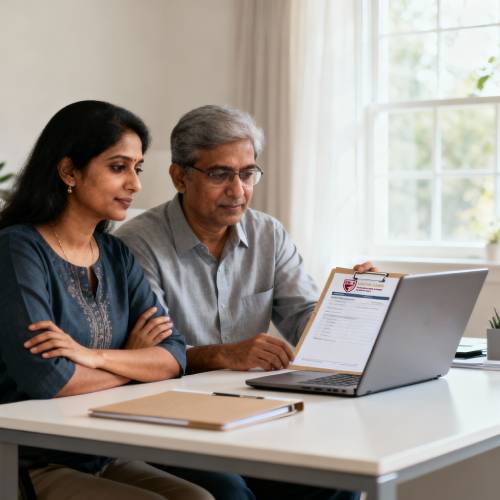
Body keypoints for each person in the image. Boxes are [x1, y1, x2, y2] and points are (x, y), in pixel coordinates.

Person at [116, 105, 369, 500]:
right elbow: (152, 354)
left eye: (247, 173)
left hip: (256, 412)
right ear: (179, 176)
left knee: (336, 477)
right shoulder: (136, 244)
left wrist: (353, 304)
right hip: (172, 417)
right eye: (220, 174)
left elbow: (303, 319)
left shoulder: (268, 233)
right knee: (228, 492)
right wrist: (224, 355)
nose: (238, 191)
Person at [0, 100, 214, 500]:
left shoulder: (115, 254)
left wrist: (93, 356)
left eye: (137, 168)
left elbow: (173, 356)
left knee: (199, 498)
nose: (134, 184)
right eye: (118, 167)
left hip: (100, 451)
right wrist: (135, 363)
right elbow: (49, 379)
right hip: (29, 459)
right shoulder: (17, 250)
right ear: (69, 171)